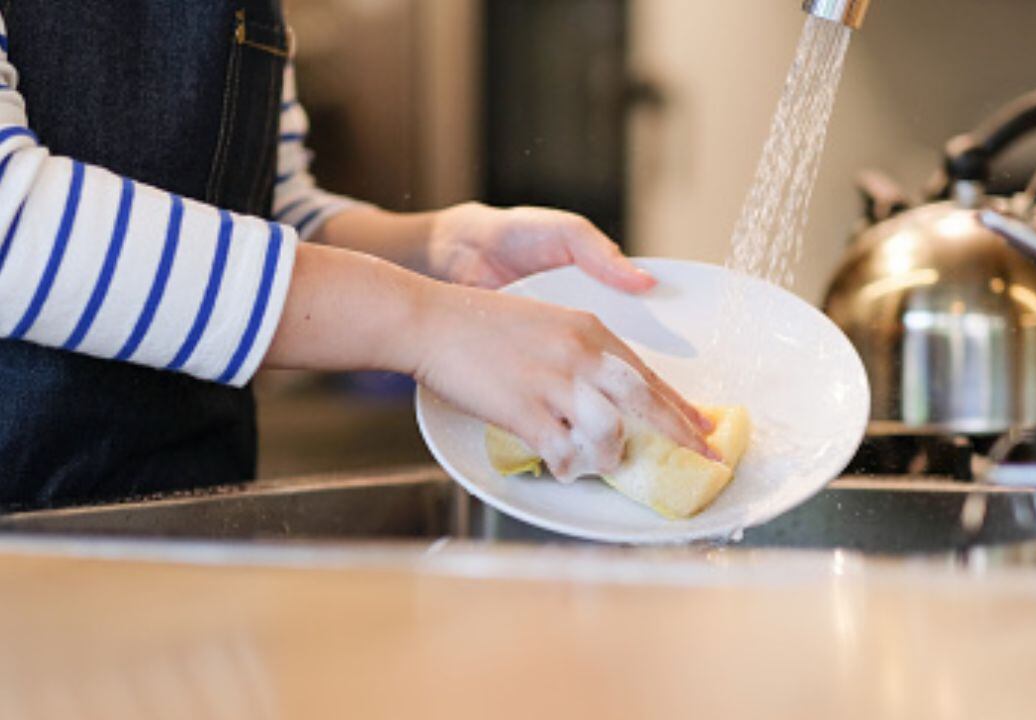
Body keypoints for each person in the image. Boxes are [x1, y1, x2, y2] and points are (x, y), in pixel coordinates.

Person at [0, 2, 712, 508]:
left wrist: (440, 251)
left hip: (186, 521)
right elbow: (12, 225)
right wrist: (425, 322)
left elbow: (263, 212)